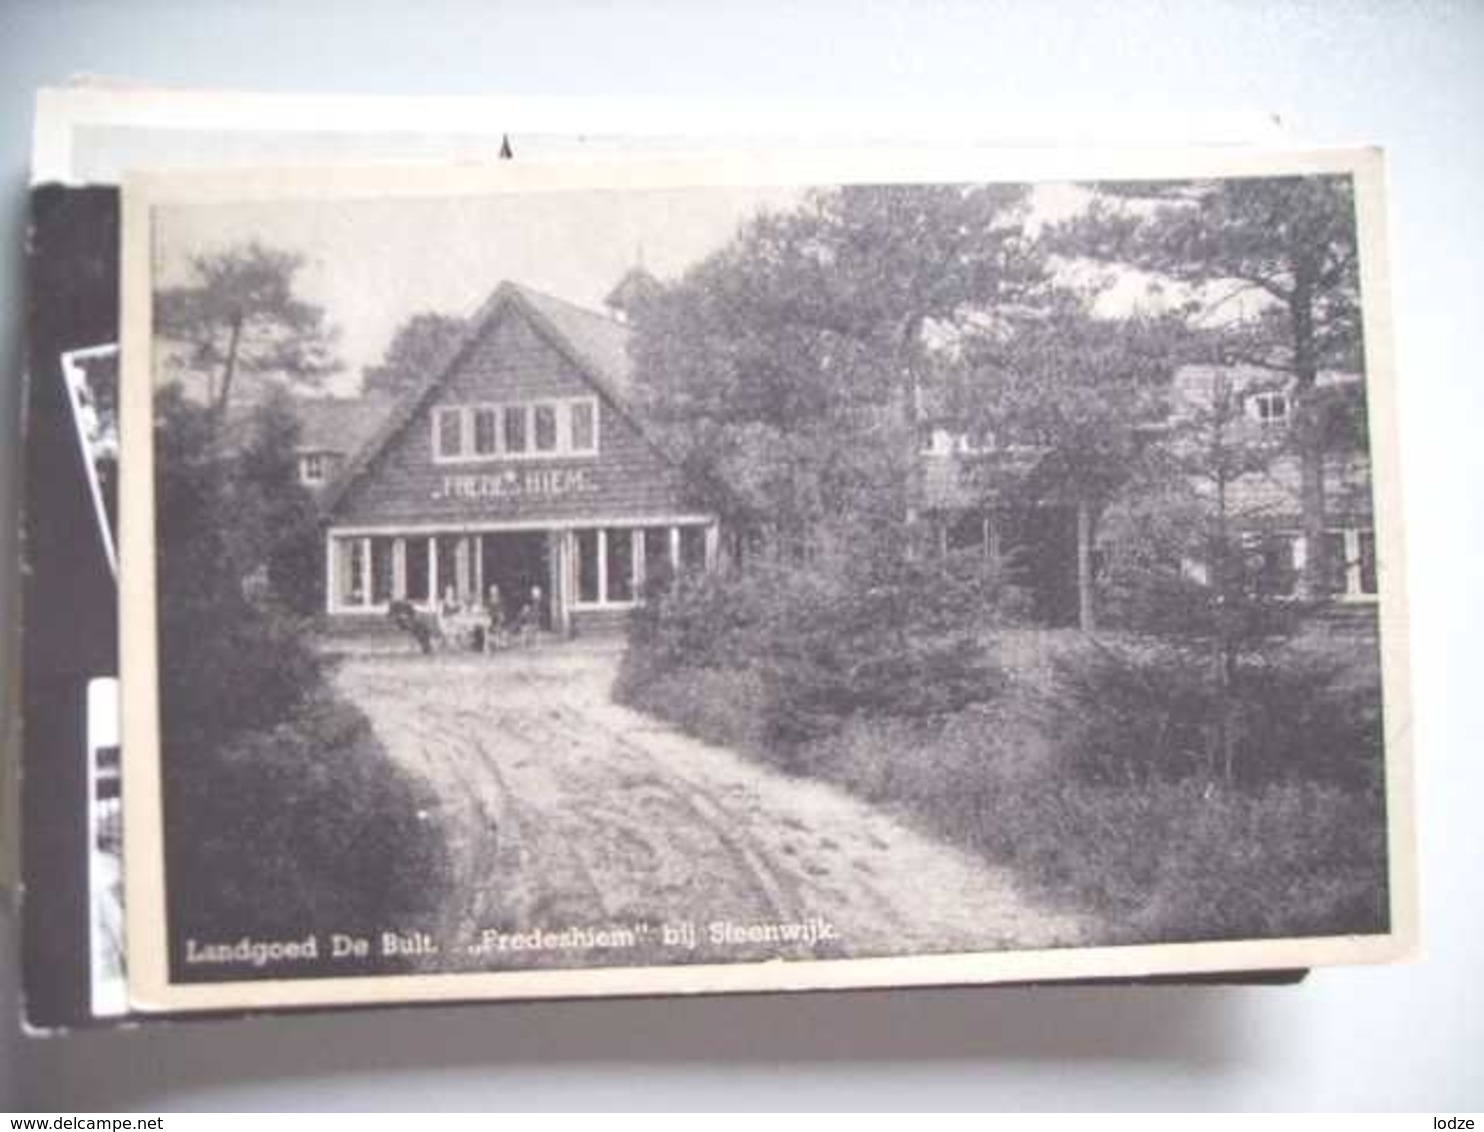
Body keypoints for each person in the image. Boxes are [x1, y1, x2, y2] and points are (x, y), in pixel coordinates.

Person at [483, 584, 507, 653]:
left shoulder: (501, 600)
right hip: (488, 618)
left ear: (497, 592)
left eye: (495, 591)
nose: (493, 592)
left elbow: (502, 610)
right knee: (484, 625)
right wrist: (485, 611)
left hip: (496, 619)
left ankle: (489, 645)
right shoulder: (487, 600)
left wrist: (501, 614)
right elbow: (485, 609)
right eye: (492, 591)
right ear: (490, 592)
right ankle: (486, 645)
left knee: (494, 625)